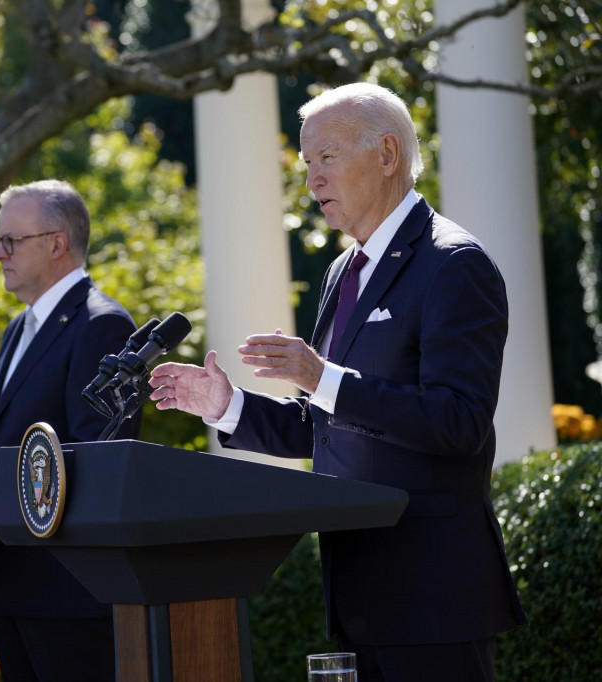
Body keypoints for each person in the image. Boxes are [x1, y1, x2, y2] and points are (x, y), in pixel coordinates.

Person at [147, 83, 526, 682]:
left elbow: (459, 421)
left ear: (387, 155)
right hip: (356, 591)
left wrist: (324, 377)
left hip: (435, 599)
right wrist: (228, 407)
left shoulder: (455, 264)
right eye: (306, 164)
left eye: (327, 157)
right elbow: (324, 421)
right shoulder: (340, 273)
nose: (312, 180)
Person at [0, 179, 140, 681]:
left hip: (68, 592)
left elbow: (90, 457)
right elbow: (9, 443)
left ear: (56, 244)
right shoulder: (17, 330)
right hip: (12, 586)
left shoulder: (101, 325)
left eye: (9, 241)